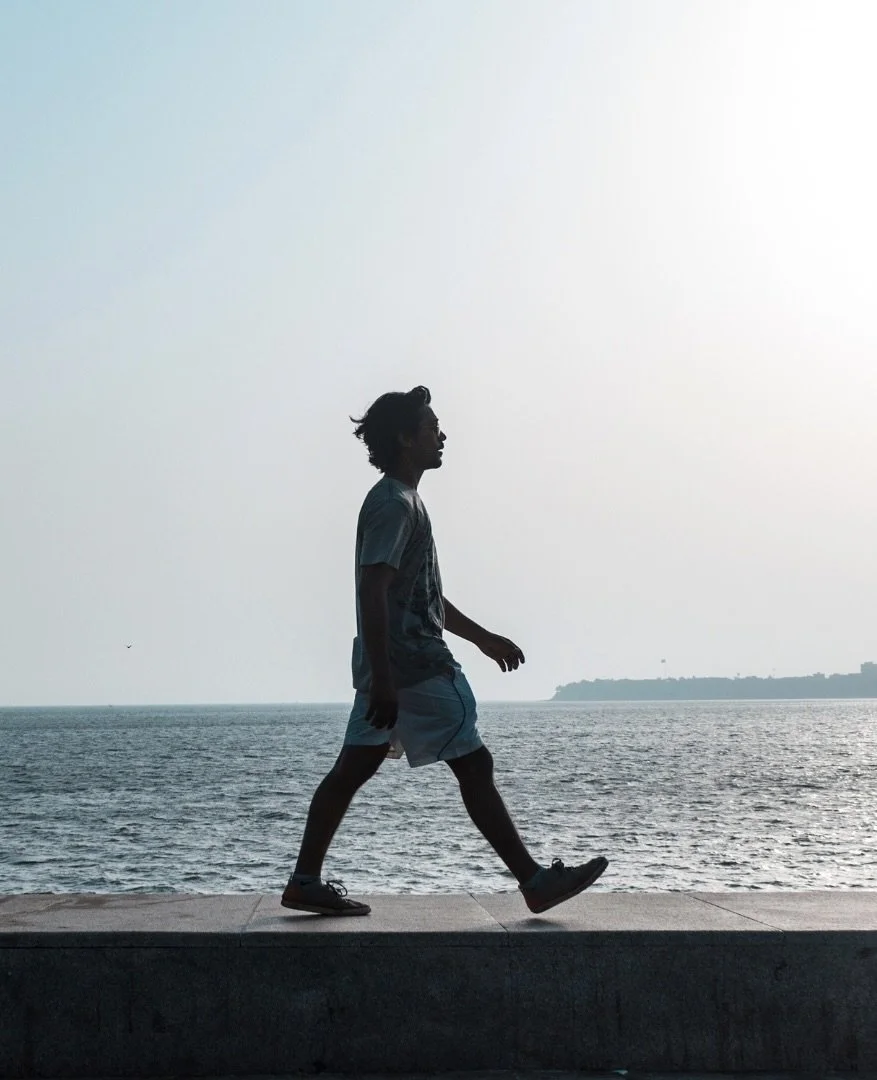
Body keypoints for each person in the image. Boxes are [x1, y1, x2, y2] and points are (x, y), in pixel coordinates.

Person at [282, 386, 608, 916]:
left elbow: (420, 592)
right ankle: (533, 880)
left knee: (352, 769)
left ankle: (303, 880)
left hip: (392, 667)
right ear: (407, 439)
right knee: (474, 764)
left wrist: (480, 636)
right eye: (432, 427)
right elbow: (373, 590)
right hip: (415, 669)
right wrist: (387, 679)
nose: (443, 435)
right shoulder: (393, 504)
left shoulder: (403, 500)